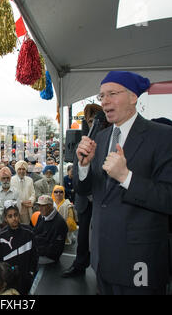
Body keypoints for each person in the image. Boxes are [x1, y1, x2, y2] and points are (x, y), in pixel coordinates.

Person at [74, 70, 172, 294]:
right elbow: (85, 190)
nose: (105, 101)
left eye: (112, 94)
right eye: (101, 96)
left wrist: (126, 177)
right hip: (102, 259)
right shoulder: (100, 138)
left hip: (139, 260)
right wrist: (83, 166)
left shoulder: (163, 137)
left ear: (133, 97)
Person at [62, 102, 107, 278]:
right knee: (82, 237)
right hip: (84, 200)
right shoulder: (83, 141)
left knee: (101, 238)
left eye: (95, 120)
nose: (92, 124)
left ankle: (102, 271)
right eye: (89, 120)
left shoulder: (108, 140)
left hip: (101, 199)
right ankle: (80, 265)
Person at [0, 201, 38, 295]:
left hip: (26, 278)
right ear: (6, 219)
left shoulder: (29, 232)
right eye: (10, 216)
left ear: (19, 215)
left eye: (15, 215)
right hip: (10, 281)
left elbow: (34, 255)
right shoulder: (1, 236)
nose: (14, 218)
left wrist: (31, 272)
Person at [33, 195, 68, 265]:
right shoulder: (41, 216)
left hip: (49, 257)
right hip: (39, 250)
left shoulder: (60, 223)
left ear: (50, 206)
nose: (40, 209)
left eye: (43, 206)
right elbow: (35, 232)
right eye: (39, 205)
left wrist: (35, 250)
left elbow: (55, 249)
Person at [10, 161, 35, 225]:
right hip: (16, 209)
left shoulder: (30, 180)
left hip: (28, 209)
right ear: (16, 170)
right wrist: (21, 202)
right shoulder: (11, 180)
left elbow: (33, 193)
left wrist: (30, 201)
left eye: (23, 169)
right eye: (19, 169)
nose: (21, 171)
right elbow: (11, 196)